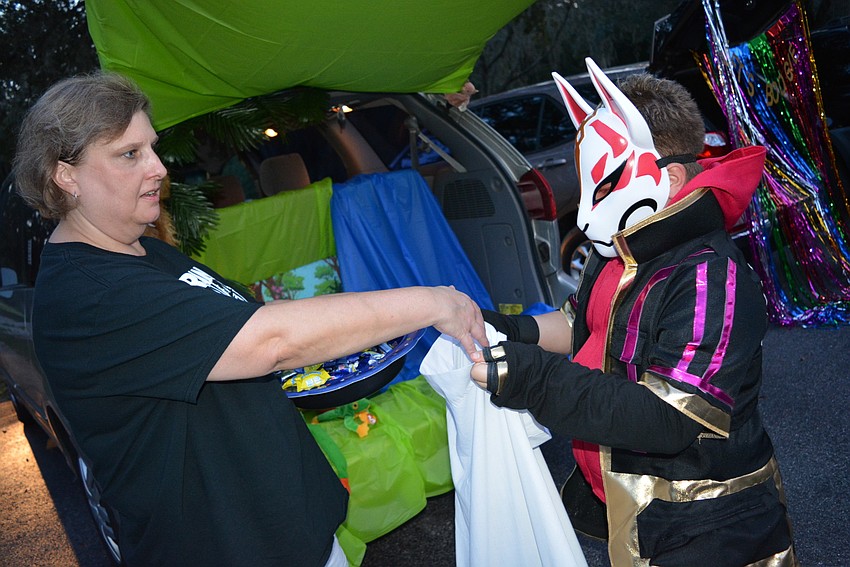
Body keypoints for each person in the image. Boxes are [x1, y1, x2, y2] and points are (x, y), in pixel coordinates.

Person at [13, 71, 487, 567]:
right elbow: (270, 339)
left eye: (152, 148)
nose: (157, 168)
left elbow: (243, 332)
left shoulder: (144, 254)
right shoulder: (91, 295)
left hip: (289, 533)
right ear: (65, 175)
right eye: (129, 155)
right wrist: (432, 301)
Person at [471, 58, 797, 566]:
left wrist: (533, 378)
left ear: (666, 178)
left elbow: (667, 416)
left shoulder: (712, 278)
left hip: (705, 522)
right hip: (634, 505)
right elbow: (582, 325)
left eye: (603, 189)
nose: (584, 214)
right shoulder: (621, 250)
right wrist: (506, 329)